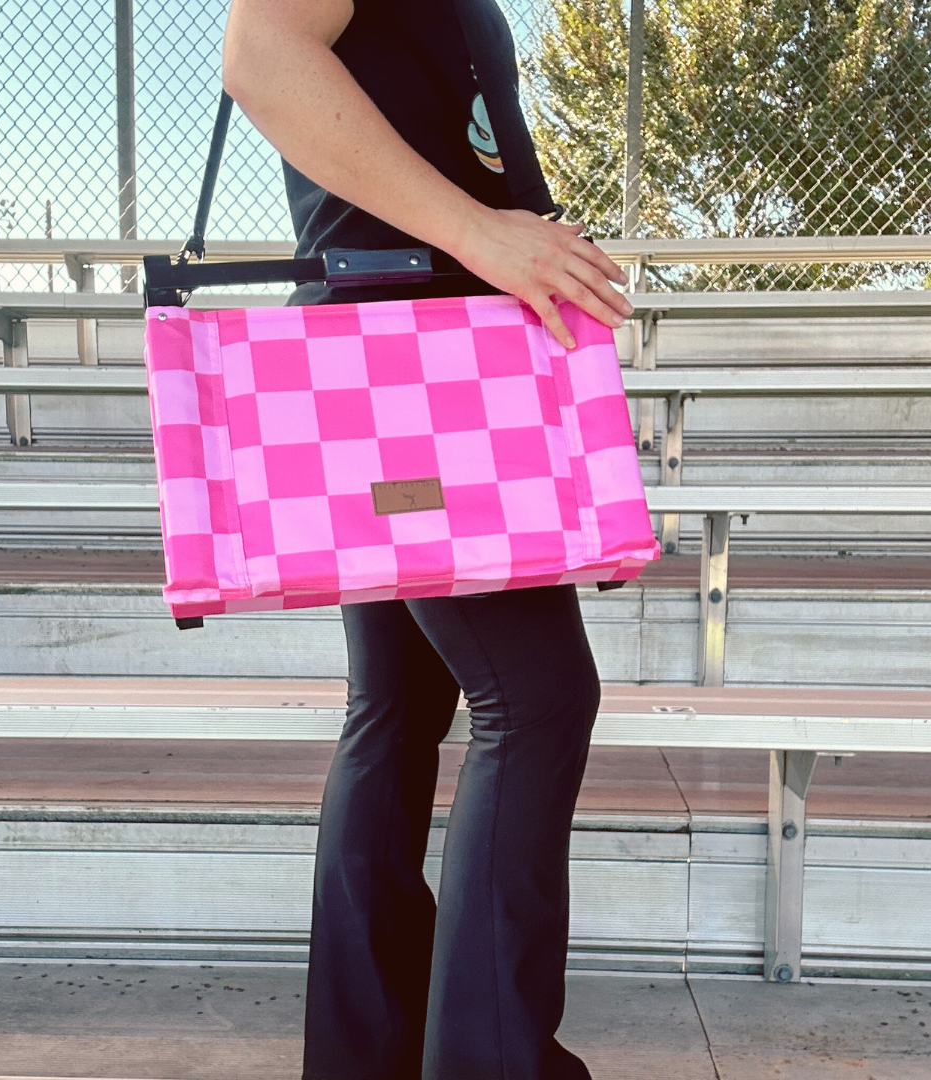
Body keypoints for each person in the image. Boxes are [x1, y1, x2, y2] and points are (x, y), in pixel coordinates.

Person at [223, 1, 634, 1077]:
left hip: (411, 356)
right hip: (417, 367)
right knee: (538, 699)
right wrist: (486, 233)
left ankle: (368, 1057)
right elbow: (260, 53)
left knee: (401, 707)